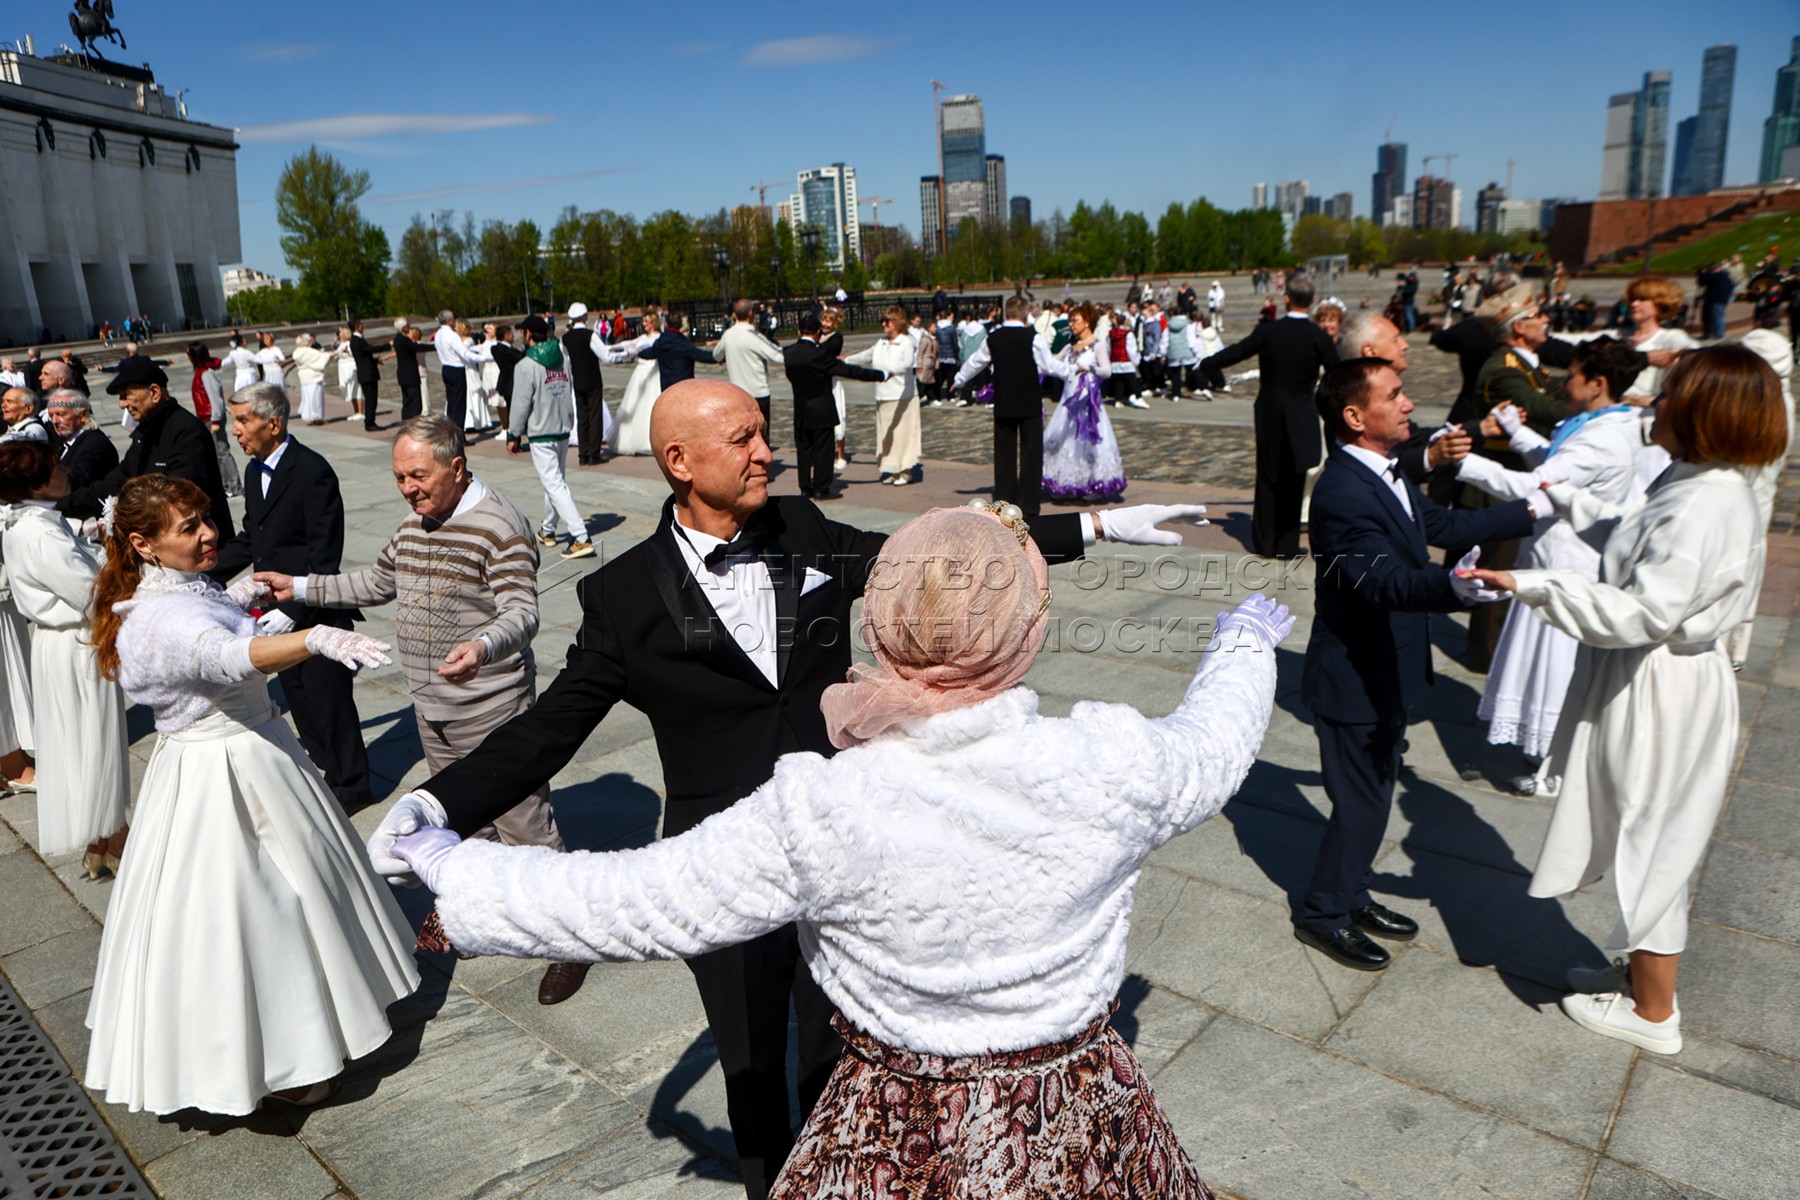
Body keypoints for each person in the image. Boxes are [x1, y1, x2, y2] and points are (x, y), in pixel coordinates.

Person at [362, 380, 1207, 1200]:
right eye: (744, 441)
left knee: (842, 1052)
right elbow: (548, 729)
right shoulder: (620, 596)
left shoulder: (804, 529)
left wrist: (1089, 525)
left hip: (844, 846)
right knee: (754, 1067)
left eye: (764, 434)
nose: (769, 453)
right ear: (680, 460)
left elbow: (935, 565)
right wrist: (441, 807)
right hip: (721, 857)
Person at [1462, 346, 1788, 1054]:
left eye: (1667, 396)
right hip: (1653, 678)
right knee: (1642, 826)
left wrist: (1535, 587)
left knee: (1654, 837)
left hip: (1662, 686)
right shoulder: (1697, 479)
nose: (1653, 405)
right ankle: (1642, 978)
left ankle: (1653, 1015)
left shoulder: (1706, 501)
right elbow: (1632, 542)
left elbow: (1643, 611)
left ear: (1704, 412)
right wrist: (1569, 501)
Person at [82, 474, 416, 1115]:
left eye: (205, 518)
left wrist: (238, 594)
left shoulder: (165, 590)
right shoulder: (164, 615)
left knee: (287, 894)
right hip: (223, 769)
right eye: (189, 528)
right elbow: (227, 656)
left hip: (242, 749)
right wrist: (315, 638)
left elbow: (209, 625)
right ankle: (282, 1065)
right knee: (255, 909)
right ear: (143, 544)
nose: (209, 534)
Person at [255, 417, 589, 1005]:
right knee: (459, 822)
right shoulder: (418, 522)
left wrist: (483, 646)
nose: (407, 488)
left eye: (418, 475)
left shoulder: (499, 525)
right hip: (433, 708)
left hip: (493, 710)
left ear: (456, 468)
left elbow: (522, 612)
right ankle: (472, 916)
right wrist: (301, 588)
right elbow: (379, 580)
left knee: (526, 828)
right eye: (399, 477)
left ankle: (569, 941)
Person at [1296, 358, 1539, 971]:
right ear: (1355, 416)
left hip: (1388, 669)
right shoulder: (1342, 492)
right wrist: (1452, 589)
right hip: (1354, 676)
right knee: (1363, 804)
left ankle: (1351, 894)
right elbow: (1384, 582)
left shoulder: (1385, 469)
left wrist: (1534, 509)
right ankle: (1323, 912)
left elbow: (1442, 523)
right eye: (1396, 394)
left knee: (1372, 795)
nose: (1410, 405)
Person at [1456, 339, 1643, 790]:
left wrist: (1461, 460)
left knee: (1556, 669)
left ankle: (1554, 765)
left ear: (1598, 384)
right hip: (1553, 558)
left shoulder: (1603, 437)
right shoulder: (1598, 423)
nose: (1565, 382)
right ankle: (1542, 752)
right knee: (1542, 663)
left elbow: (1536, 484)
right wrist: (1515, 433)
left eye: (1573, 374)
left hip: (1567, 566)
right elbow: (1559, 464)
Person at [211, 383, 375, 814]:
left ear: (274, 423)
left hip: (314, 608)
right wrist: (201, 570)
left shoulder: (312, 470)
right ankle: (326, 772)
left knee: (329, 701)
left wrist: (294, 609)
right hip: (273, 609)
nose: (236, 432)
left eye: (243, 421)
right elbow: (253, 539)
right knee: (299, 700)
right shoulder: (253, 470)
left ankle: (352, 786)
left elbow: (324, 555)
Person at [0, 443, 128, 879]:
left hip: (64, 642)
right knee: (93, 736)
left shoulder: (32, 524)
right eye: (55, 468)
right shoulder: (39, 533)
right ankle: (113, 835)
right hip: (77, 641)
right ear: (34, 483)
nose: (65, 471)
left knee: (86, 737)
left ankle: (104, 837)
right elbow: (92, 595)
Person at [1201, 278, 1339, 557]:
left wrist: (1206, 364)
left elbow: (1238, 351)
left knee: (1267, 477)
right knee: (1295, 477)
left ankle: (1265, 543)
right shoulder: (1319, 337)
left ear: (1286, 298)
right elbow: (1338, 376)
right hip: (1302, 412)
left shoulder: (1270, 331)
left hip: (1270, 412)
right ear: (1312, 301)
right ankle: (1287, 546)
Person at [59, 358, 236, 540]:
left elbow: (176, 493)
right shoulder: (146, 431)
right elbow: (114, 483)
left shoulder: (187, 431)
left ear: (154, 392)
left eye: (126, 394)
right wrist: (60, 504)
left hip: (195, 547)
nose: (122, 404)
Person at [954, 295, 1058, 514]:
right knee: (1031, 452)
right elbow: (1049, 365)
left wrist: (959, 380)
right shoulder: (1033, 337)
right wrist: (1071, 371)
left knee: (1004, 452)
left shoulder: (994, 337)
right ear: (1025, 313)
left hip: (1004, 401)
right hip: (1029, 400)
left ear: (1006, 312)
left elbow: (975, 362)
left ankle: (1005, 498)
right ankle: (1029, 502)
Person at [508, 315, 595, 560]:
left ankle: (580, 536)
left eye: (522, 332)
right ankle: (548, 529)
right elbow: (568, 390)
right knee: (554, 483)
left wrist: (513, 433)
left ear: (527, 335)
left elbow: (520, 404)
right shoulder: (563, 359)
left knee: (555, 485)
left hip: (541, 431)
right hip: (561, 427)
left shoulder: (525, 366)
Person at [783, 315, 884, 500]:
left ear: (799, 331)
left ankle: (805, 487)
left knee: (804, 450)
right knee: (823, 450)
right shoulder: (820, 355)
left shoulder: (789, 353)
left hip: (801, 408)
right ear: (818, 332)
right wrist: (880, 375)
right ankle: (821, 488)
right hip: (822, 408)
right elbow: (850, 371)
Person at [1042, 302, 1127, 502]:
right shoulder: (1070, 347)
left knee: (1086, 442)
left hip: (1088, 404)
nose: (1071, 324)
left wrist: (1089, 369)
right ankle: (1067, 482)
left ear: (1087, 321)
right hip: (1068, 402)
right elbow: (1053, 364)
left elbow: (1107, 371)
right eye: (1070, 320)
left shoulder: (1098, 345)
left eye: (1075, 320)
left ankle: (1089, 483)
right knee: (1064, 439)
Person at [845, 306, 922, 487]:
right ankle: (892, 469)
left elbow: (908, 364)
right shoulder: (881, 342)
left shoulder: (906, 342)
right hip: (883, 395)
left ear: (897, 322)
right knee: (887, 436)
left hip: (902, 395)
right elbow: (866, 355)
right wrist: (846, 360)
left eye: (887, 321)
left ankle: (906, 470)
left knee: (903, 434)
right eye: (882, 321)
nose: (884, 325)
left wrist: (890, 372)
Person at [714, 300, 787, 446]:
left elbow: (716, 354)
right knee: (761, 436)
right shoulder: (753, 336)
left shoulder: (728, 334)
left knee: (742, 437)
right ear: (751, 313)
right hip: (758, 392)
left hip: (737, 392)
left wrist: (724, 357)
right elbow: (778, 356)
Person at [185, 342, 242, 501]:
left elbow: (215, 398)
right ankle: (225, 485)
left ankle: (234, 487)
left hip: (212, 419)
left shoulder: (206, 374)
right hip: (206, 419)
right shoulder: (201, 372)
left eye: (189, 354)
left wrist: (216, 419)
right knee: (216, 455)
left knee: (222, 452)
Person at [603, 312, 662, 456]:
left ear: (653, 323)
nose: (644, 324)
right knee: (635, 402)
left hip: (653, 371)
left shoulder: (659, 337)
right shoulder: (643, 337)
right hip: (640, 371)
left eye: (646, 322)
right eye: (643, 321)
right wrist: (610, 348)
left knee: (651, 403)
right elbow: (628, 343)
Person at [45, 390, 117, 491]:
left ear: (83, 415)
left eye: (61, 414)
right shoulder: (69, 442)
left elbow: (75, 482)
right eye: (51, 416)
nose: (54, 421)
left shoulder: (94, 445)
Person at [563, 304, 607, 465]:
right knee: (595, 416)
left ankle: (583, 453)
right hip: (593, 379)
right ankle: (594, 454)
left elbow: (565, 358)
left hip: (578, 380)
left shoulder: (566, 338)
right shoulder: (590, 335)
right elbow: (606, 356)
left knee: (582, 417)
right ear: (585, 316)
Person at [642, 311, 718, 390]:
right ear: (680, 325)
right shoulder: (684, 344)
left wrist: (639, 353)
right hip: (684, 387)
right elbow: (703, 356)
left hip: (667, 389)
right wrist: (721, 357)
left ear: (666, 324)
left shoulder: (660, 343)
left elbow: (649, 353)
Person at [433, 310, 475, 430]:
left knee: (451, 402)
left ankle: (450, 430)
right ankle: (458, 433)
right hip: (456, 368)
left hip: (446, 368)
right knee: (459, 403)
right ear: (449, 321)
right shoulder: (451, 335)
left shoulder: (438, 334)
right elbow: (463, 353)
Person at [347, 317, 387, 431]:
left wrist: (375, 361)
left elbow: (364, 357)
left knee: (371, 399)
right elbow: (370, 349)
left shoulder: (357, 340)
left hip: (367, 373)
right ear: (357, 327)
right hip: (367, 374)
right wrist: (388, 345)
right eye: (361, 325)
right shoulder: (357, 340)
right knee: (370, 400)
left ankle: (370, 421)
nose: (363, 326)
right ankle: (369, 423)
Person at [391, 318, 430, 422]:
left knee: (407, 401)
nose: (409, 327)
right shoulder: (404, 340)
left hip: (403, 375)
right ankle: (413, 423)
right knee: (415, 402)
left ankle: (406, 422)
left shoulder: (397, 339)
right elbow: (416, 347)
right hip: (410, 375)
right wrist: (435, 346)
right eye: (408, 325)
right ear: (404, 328)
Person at [290, 333, 333, 426]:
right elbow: (321, 357)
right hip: (314, 377)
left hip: (304, 377)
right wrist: (331, 354)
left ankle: (309, 418)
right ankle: (317, 418)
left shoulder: (296, 353)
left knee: (307, 399)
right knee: (316, 399)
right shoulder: (309, 351)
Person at [332, 324, 364, 420]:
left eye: (341, 333)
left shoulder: (350, 343)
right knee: (351, 390)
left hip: (351, 366)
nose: (339, 335)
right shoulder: (342, 343)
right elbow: (336, 354)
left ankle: (360, 411)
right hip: (343, 368)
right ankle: (356, 411)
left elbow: (353, 354)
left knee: (357, 389)